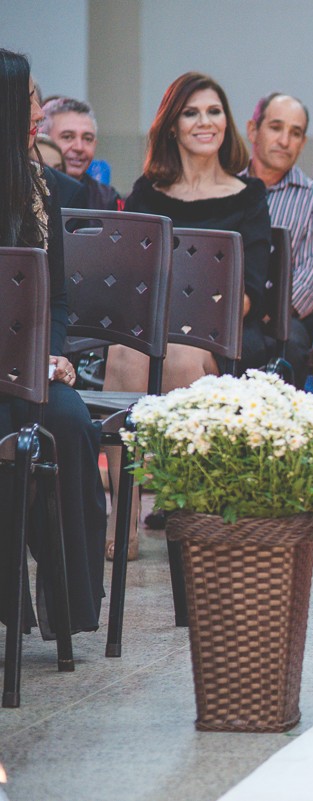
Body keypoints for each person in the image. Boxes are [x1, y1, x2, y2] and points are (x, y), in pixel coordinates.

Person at [104, 72, 270, 554]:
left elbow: (248, 293)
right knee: (122, 354)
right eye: (191, 112)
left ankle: (191, 509)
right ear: (172, 126)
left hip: (219, 336)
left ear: (228, 123)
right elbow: (127, 273)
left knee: (177, 356)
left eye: (214, 111)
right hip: (150, 327)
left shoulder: (249, 196)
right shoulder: (148, 193)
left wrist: (185, 321)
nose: (205, 122)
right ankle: (125, 514)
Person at [0, 48, 106, 636]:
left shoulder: (41, 187)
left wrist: (54, 353)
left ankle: (70, 611)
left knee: (71, 425)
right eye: (31, 98)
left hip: (29, 366)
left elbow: (57, 297)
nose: (39, 110)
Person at [241, 92, 313, 389]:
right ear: (253, 130)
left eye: (295, 133)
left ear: (303, 142)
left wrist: (256, 311)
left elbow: (309, 285)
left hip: (285, 317)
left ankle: (275, 433)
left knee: (285, 343)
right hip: (227, 310)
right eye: (275, 127)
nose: (284, 140)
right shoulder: (226, 188)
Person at [36, 96, 121, 210]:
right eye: (68, 137)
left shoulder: (107, 199)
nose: (79, 147)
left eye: (87, 139)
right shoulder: (27, 191)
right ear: (44, 140)